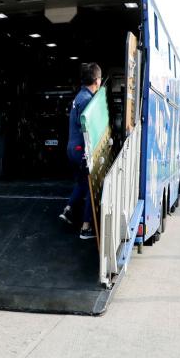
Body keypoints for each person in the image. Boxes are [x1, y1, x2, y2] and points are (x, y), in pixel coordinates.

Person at [59, 62, 102, 240]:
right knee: (93, 187)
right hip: (81, 150)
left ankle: (69, 210)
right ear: (97, 81)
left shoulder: (79, 96)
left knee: (82, 183)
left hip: (72, 149)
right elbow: (88, 129)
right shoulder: (88, 101)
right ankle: (86, 228)